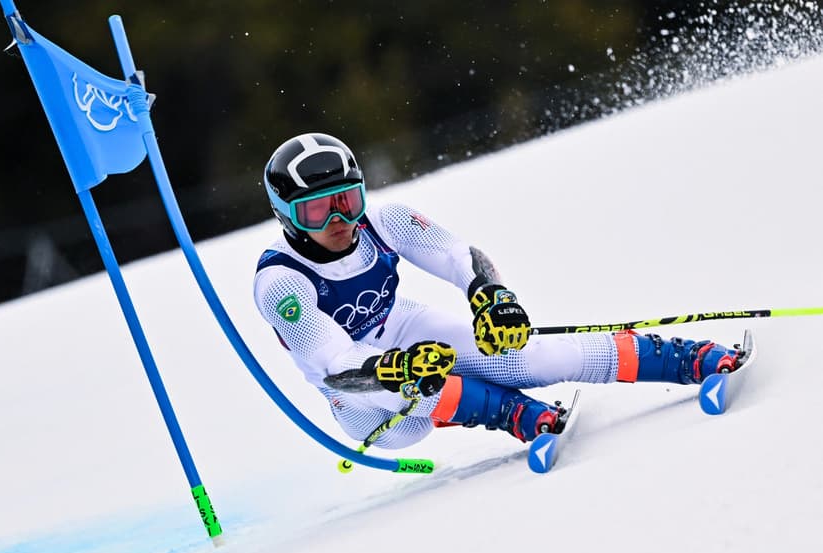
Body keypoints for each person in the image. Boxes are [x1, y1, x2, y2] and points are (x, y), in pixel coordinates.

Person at [252, 133, 739, 449]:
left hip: (401, 323)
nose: (340, 219)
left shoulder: (384, 222)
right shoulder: (281, 283)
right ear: (286, 215)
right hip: (358, 400)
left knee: (531, 358)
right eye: (317, 211)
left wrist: (491, 295)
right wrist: (391, 366)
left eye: (348, 199)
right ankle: (512, 412)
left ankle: (687, 358)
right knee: (412, 397)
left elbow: (458, 256)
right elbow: (336, 365)